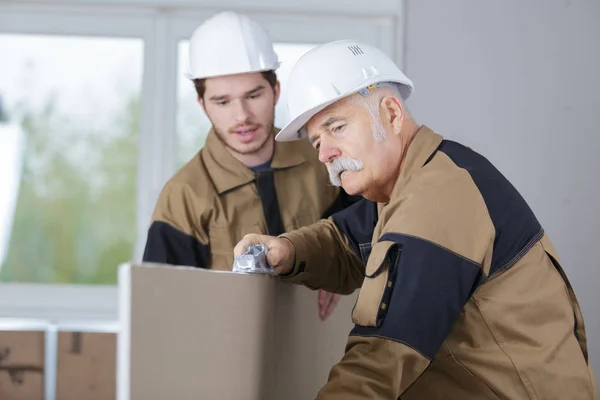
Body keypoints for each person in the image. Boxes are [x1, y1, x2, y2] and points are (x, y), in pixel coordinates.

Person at [234, 39, 599, 399]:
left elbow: (383, 356)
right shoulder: (410, 183)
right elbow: (346, 239)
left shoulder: (438, 198)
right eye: (316, 142)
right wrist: (286, 249)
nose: (326, 153)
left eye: (337, 127)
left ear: (392, 114)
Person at [142, 12, 358, 320]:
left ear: (276, 92)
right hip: (228, 356)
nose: (241, 115)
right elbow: (162, 308)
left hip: (320, 349)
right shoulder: (184, 195)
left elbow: (371, 227)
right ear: (203, 105)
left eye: (253, 95)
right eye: (222, 101)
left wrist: (342, 262)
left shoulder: (323, 158)